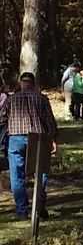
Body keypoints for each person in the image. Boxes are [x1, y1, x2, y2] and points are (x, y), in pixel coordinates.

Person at [0, 72, 58, 219]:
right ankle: (39, 205)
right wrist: (52, 139)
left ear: (21, 83)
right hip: (38, 137)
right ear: (33, 83)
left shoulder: (11, 99)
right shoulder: (41, 98)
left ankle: (22, 210)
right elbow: (50, 122)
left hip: (16, 137)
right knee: (41, 171)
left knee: (16, 174)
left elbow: (2, 118)